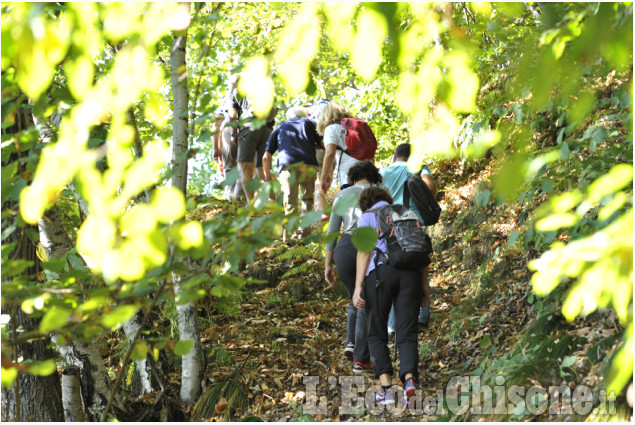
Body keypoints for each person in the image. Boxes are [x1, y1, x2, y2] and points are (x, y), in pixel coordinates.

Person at [353, 186, 424, 406]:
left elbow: (364, 251)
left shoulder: (367, 216)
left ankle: (386, 389)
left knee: (376, 331)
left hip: (381, 274)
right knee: (407, 332)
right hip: (411, 274)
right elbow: (419, 249)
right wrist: (424, 287)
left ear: (366, 202)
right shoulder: (406, 214)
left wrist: (358, 285)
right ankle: (409, 383)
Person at [324, 161, 383, 373]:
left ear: (353, 179)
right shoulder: (380, 192)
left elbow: (332, 232)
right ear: (373, 177)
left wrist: (327, 264)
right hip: (367, 245)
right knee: (364, 300)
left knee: (355, 298)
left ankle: (350, 343)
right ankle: (361, 359)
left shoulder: (342, 195)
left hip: (343, 248)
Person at [380, 143, 436, 336]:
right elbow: (430, 186)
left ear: (395, 157)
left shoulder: (383, 172)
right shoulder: (418, 167)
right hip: (415, 225)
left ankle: (392, 324)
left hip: (391, 228)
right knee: (421, 267)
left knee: (394, 270)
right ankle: (421, 316)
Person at [262, 106, 321, 218]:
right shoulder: (309, 123)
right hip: (309, 164)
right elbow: (323, 143)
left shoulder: (281, 126)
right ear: (303, 115)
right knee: (308, 199)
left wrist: (268, 178)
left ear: (289, 116)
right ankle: (305, 232)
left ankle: (290, 234)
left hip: (287, 165)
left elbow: (266, 156)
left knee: (289, 202)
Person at [227, 75, 277, 202]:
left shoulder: (236, 92)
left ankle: (251, 205)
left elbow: (232, 115)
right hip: (267, 129)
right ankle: (279, 201)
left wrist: (233, 134)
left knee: (244, 169)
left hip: (248, 128)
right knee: (262, 169)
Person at [315, 101, 360, 194]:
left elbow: (330, 153)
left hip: (349, 173)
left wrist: (322, 179)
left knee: (351, 205)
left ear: (325, 115)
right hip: (367, 169)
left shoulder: (331, 128)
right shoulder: (354, 127)